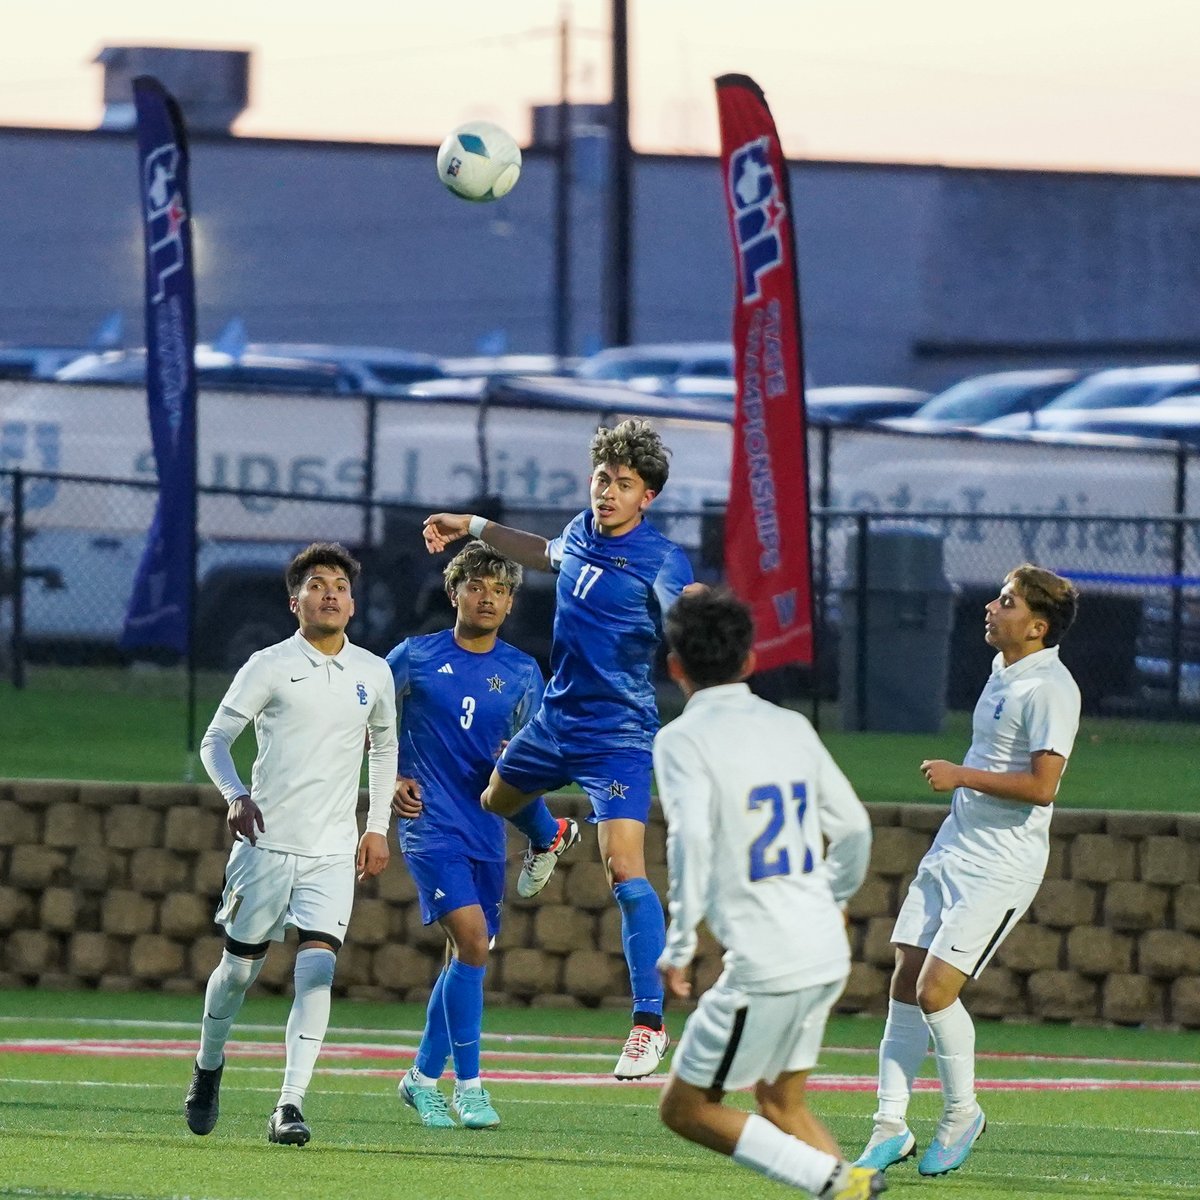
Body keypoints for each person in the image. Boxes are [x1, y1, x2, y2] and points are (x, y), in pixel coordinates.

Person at [421, 417, 697, 1079]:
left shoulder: (661, 560)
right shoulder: (580, 531)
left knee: (626, 869)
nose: (607, 491)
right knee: (498, 795)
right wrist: (475, 524)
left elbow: (690, 616)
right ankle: (547, 837)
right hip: (555, 720)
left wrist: (701, 622)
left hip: (620, 732)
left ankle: (648, 1025)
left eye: (623, 484)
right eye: (602, 478)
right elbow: (543, 551)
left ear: (646, 498)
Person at [653, 589, 883, 1200]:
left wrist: (678, 944)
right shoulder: (792, 725)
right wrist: (830, 894)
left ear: (675, 666)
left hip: (769, 963)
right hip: (824, 949)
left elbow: (692, 837)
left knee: (686, 1109)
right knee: (782, 1102)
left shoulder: (681, 739)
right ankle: (846, 1185)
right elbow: (855, 828)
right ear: (751, 661)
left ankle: (840, 1182)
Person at [856, 563, 1081, 1178]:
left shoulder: (1051, 689)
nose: (991, 606)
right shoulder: (1003, 669)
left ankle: (962, 1114)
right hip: (954, 847)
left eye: (1006, 601)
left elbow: (1042, 786)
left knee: (935, 991)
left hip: (1001, 864)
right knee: (904, 979)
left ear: (1037, 626)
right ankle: (889, 1126)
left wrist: (960, 775)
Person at [184, 542, 398, 1147]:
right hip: (265, 846)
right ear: (294, 600)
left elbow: (384, 750)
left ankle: (290, 1104)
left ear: (353, 604)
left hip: (333, 849)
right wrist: (233, 793)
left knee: (319, 970)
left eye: (340, 585)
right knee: (237, 973)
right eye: (317, 584)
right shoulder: (268, 665)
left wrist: (376, 827)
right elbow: (215, 740)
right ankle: (208, 1065)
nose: (330, 592)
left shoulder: (372, 672)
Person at [386, 543, 543, 1130]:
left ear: (509, 603)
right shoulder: (414, 656)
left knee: (466, 957)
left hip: (486, 829)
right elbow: (366, 718)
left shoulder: (524, 671)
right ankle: (470, 1086)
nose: (488, 598)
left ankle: (421, 1080)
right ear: (454, 594)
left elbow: (540, 752)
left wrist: (518, 759)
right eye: (477, 586)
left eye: (500, 591)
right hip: (430, 823)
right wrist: (391, 777)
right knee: (473, 943)